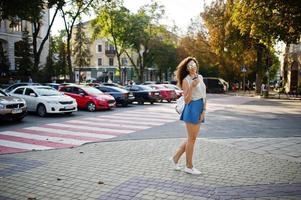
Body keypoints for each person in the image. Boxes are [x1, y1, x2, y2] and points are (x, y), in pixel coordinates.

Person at [170, 57, 207, 175]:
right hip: (191, 109)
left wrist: (204, 111)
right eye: (190, 65)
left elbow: (204, 95)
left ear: (196, 66)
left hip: (199, 108)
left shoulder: (200, 77)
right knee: (192, 139)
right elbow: (186, 100)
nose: (193, 67)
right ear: (187, 68)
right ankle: (189, 167)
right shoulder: (186, 80)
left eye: (194, 64)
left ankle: (175, 158)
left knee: (191, 138)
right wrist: (192, 86)